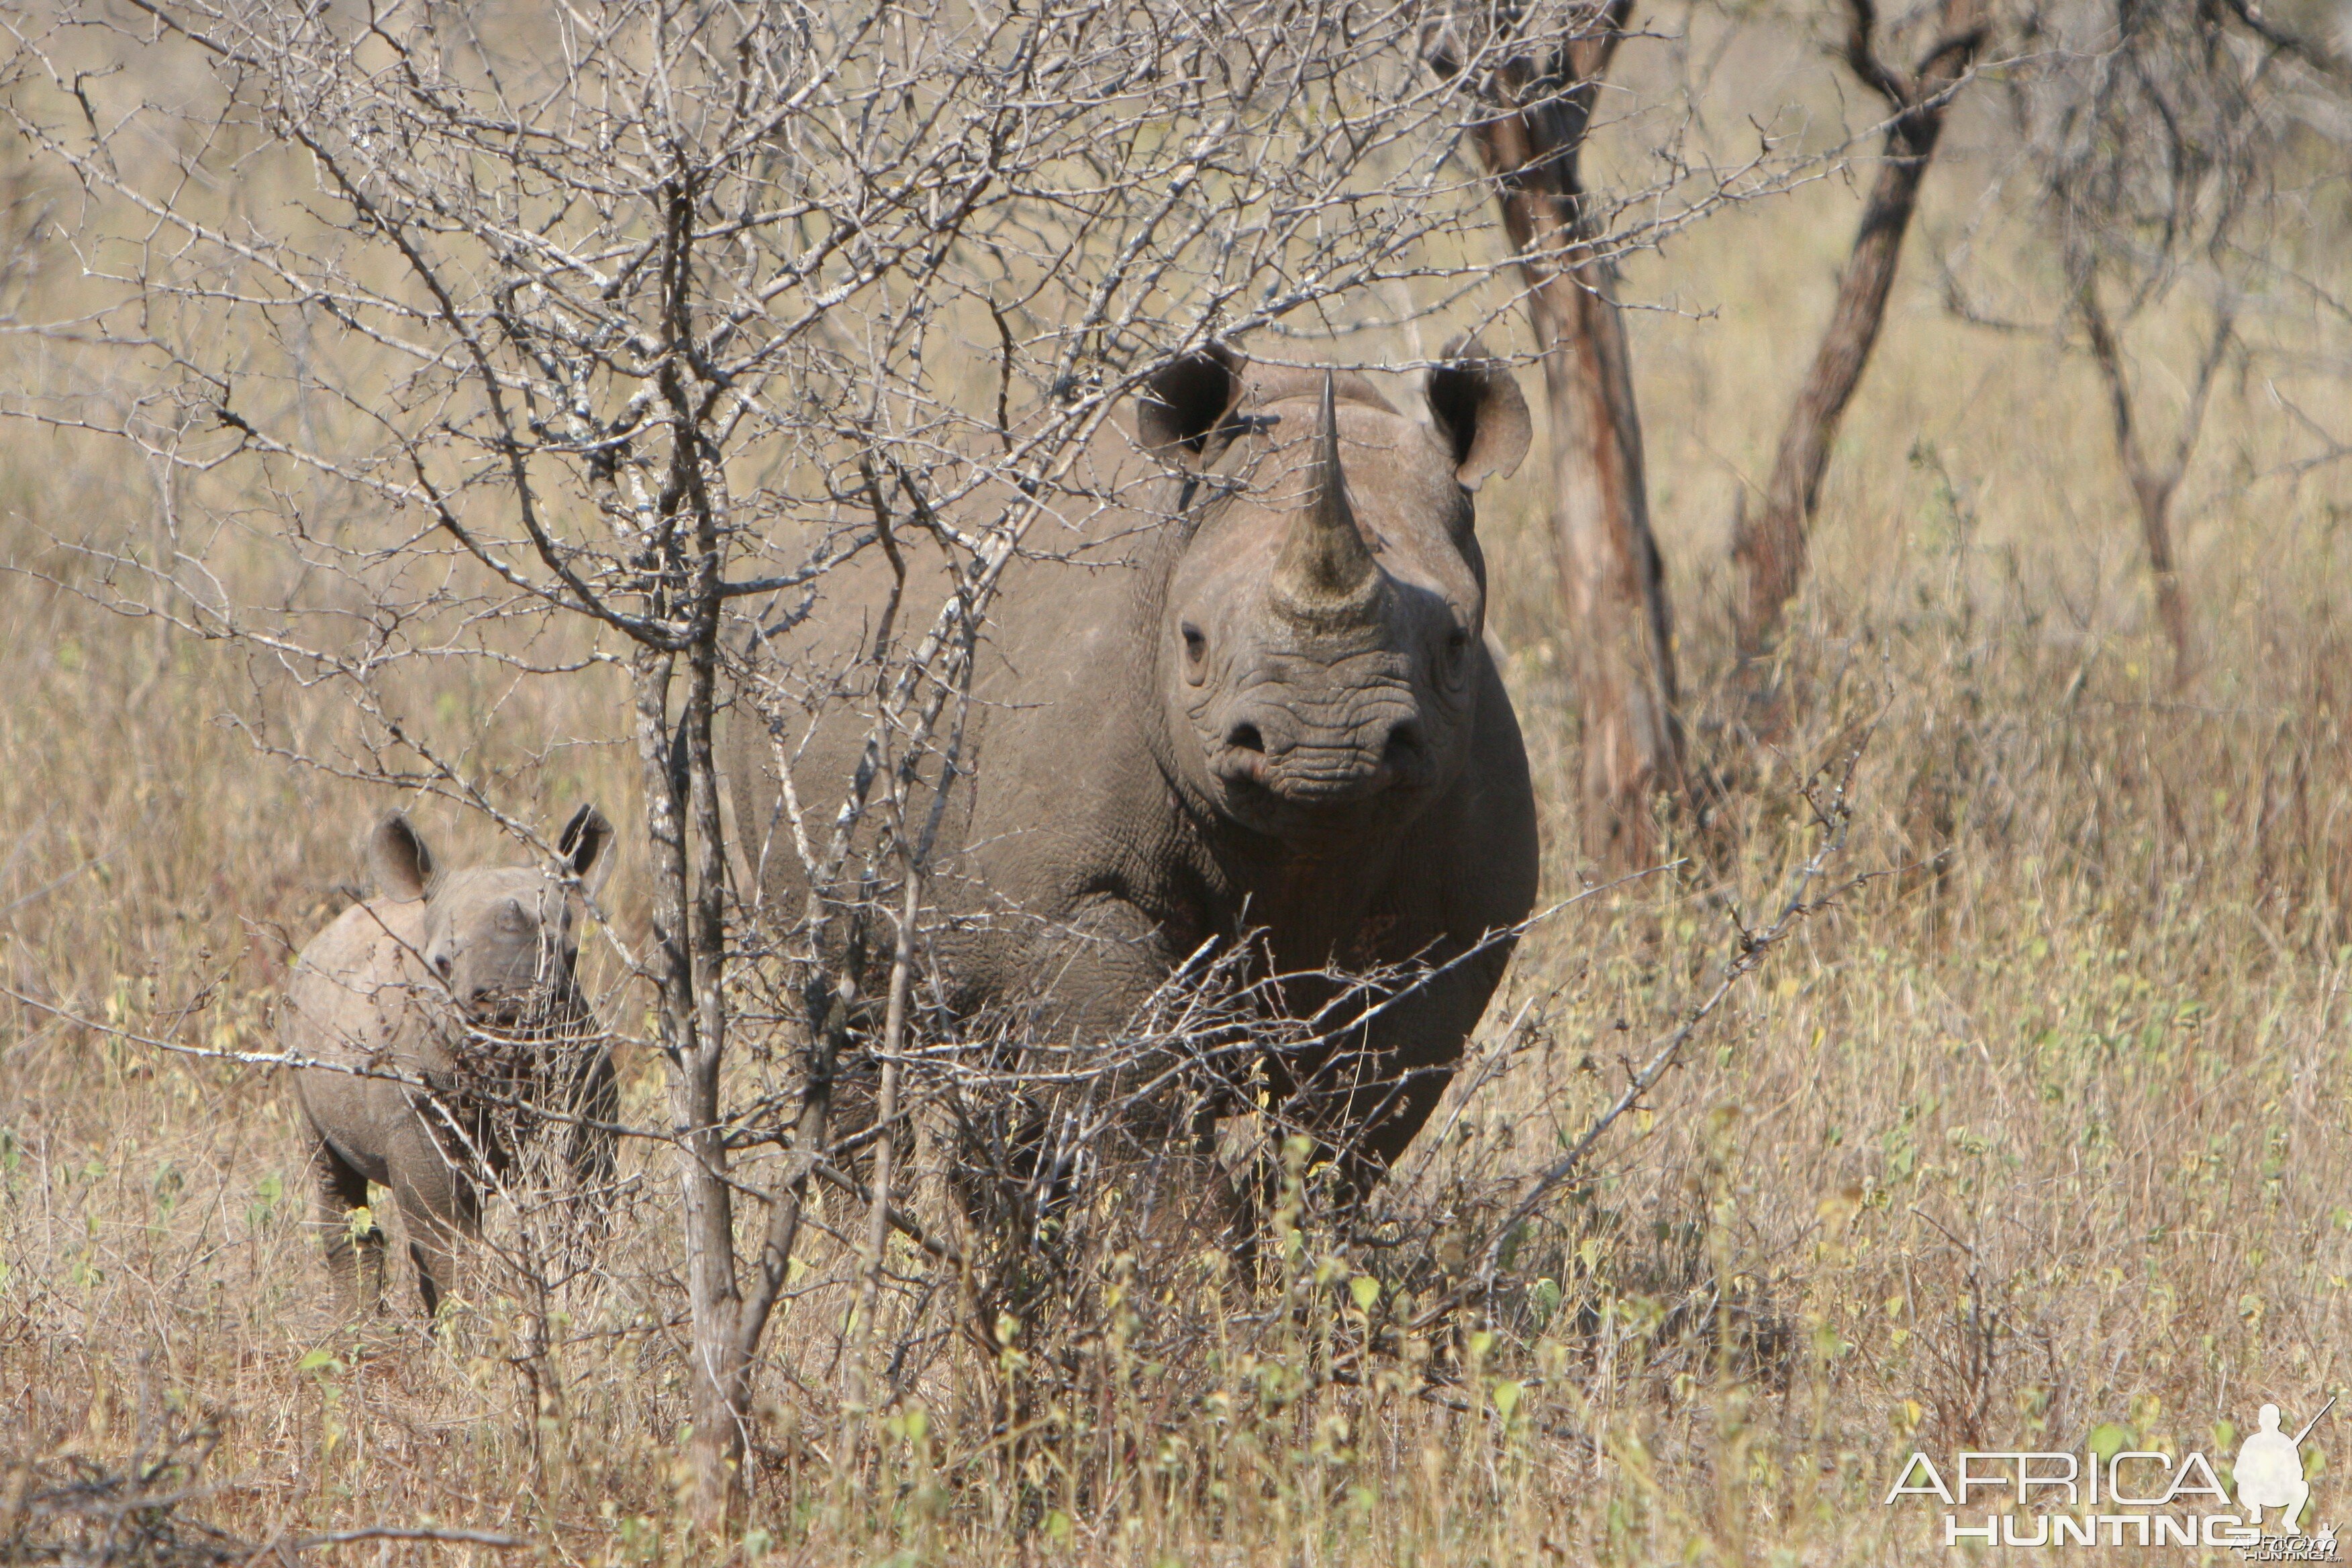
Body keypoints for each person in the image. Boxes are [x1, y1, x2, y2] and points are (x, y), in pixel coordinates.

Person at [2235, 1403, 2310, 1534]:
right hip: (2256, 1492)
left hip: (2279, 1491)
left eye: (2272, 1419)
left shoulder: (2286, 1443)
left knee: (2303, 1487)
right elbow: (2238, 1473)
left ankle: (2290, 1520)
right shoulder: (2252, 1443)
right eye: (2266, 1419)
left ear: (2279, 1421)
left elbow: (2299, 1473)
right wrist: (2254, 1474)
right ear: (2260, 1421)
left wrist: (2284, 1471)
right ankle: (2256, 1511)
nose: (2269, 1423)